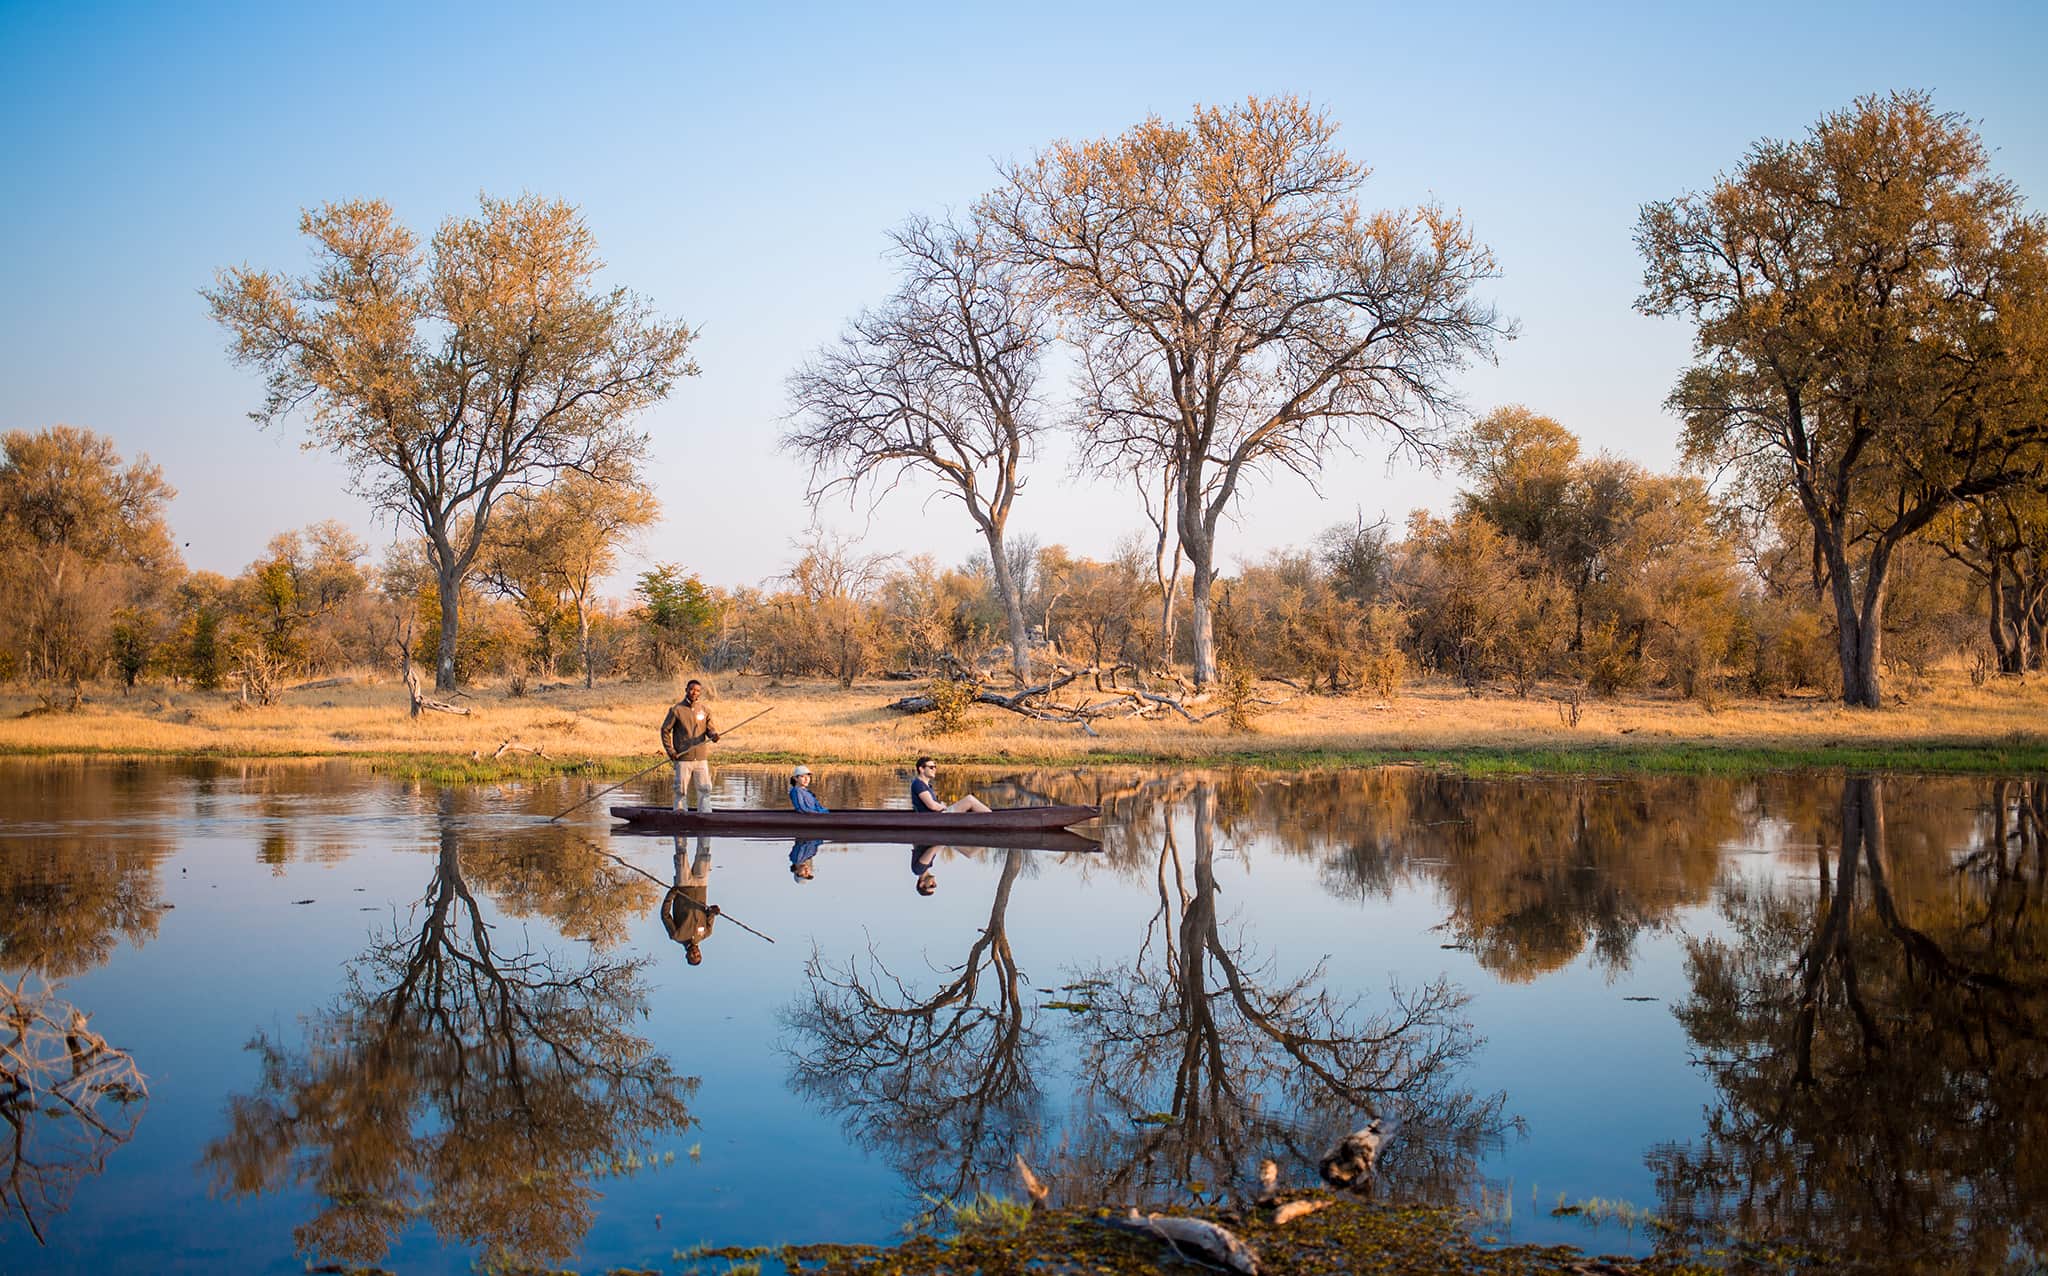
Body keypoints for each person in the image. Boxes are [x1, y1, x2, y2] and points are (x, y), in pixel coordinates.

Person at [659, 679, 719, 812]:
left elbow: (710, 730)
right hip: (683, 757)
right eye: (691, 689)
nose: (694, 692)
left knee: (705, 789)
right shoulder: (677, 710)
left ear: (700, 693)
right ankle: (680, 816)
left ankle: (705, 816)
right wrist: (670, 750)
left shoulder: (705, 710)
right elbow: (665, 730)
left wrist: (714, 735)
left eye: (697, 690)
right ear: (686, 690)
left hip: (701, 757)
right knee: (680, 790)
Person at [660, 836, 718, 965]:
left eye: (692, 956)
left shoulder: (677, 935)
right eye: (697, 955)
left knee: (681, 852)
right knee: (704, 852)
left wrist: (671, 894)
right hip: (701, 885)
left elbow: (665, 915)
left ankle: (679, 818)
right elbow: (710, 913)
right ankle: (704, 819)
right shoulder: (706, 933)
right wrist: (714, 911)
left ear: (686, 955)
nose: (694, 953)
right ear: (700, 953)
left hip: (683, 886)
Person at [910, 757, 991, 814]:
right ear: (921, 769)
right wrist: (944, 807)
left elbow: (934, 805)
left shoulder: (927, 785)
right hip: (935, 818)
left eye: (935, 767)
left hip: (937, 815)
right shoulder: (918, 784)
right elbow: (932, 806)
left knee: (969, 803)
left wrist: (941, 805)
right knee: (969, 799)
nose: (934, 769)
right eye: (931, 767)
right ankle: (992, 817)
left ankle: (991, 816)